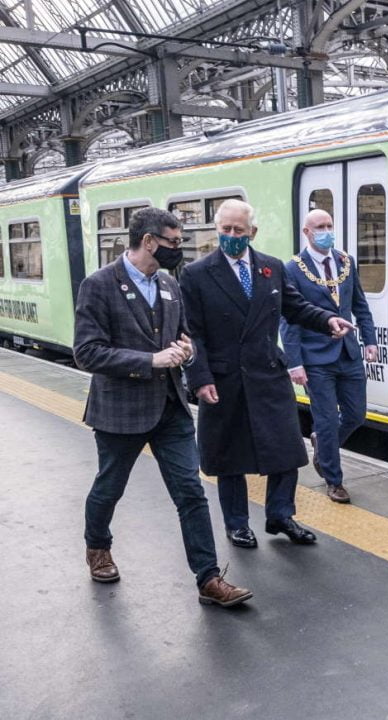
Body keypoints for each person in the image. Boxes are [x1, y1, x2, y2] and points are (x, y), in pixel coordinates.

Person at [74, 207, 251, 608]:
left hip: (170, 408)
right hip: (121, 410)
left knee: (190, 491)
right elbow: (86, 352)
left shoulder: (170, 284)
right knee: (110, 486)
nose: (179, 248)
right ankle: (97, 546)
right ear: (150, 241)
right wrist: (149, 361)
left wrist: (187, 351)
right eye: (173, 242)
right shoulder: (99, 285)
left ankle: (209, 579)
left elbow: (182, 335)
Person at [180, 199, 354, 549]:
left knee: (287, 449)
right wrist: (200, 378)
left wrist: (326, 319)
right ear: (218, 230)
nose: (231, 236)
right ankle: (237, 523)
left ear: (252, 233)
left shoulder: (271, 268)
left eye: (238, 231)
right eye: (225, 230)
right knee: (230, 457)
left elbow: (295, 307)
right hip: (224, 378)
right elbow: (191, 330)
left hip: (267, 373)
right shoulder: (197, 274)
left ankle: (280, 515)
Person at [281, 209, 378, 504]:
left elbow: (359, 305)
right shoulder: (292, 269)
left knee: (355, 414)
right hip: (314, 358)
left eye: (329, 225)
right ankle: (334, 481)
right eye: (320, 227)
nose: (326, 231)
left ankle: (322, 447)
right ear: (307, 233)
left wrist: (370, 341)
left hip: (348, 352)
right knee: (325, 420)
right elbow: (289, 319)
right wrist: (294, 363)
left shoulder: (346, 262)